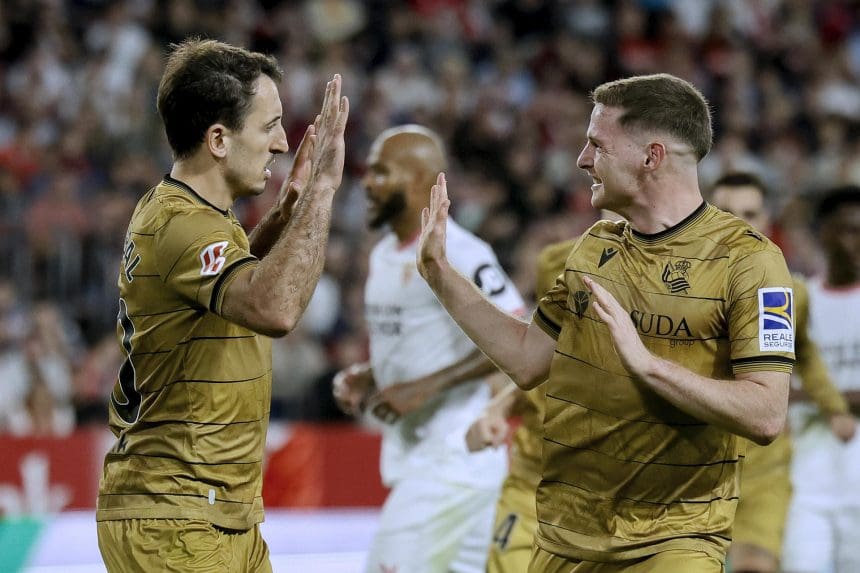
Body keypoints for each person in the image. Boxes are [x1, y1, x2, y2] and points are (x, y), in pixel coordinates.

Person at [416, 73, 796, 573]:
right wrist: (441, 274)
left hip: (676, 540)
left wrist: (649, 366)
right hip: (565, 537)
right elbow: (528, 360)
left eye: (597, 144)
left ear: (651, 156)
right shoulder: (594, 247)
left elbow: (767, 413)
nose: (582, 159)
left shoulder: (751, 263)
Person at [95, 38, 348, 573]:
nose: (283, 143)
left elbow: (230, 292)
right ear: (217, 139)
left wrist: (287, 211)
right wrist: (324, 190)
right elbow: (274, 309)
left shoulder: (194, 214)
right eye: (270, 125)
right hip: (175, 515)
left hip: (214, 513)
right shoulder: (184, 225)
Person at [332, 124, 525, 573]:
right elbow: (418, 341)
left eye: (381, 172)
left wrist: (426, 388)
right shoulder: (384, 254)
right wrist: (373, 373)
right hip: (418, 452)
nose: (367, 181)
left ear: (420, 178)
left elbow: (518, 332)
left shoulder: (459, 249)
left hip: (454, 452)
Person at [709, 172, 856, 573]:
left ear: (766, 218)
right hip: (692, 463)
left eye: (749, 213)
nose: (738, 223)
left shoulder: (786, 294)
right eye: (725, 212)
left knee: (754, 566)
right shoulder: (675, 291)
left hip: (762, 468)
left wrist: (834, 407)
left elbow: (804, 355)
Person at [465, 237, 573, 573]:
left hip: (596, 507)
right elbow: (520, 384)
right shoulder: (536, 369)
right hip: (529, 498)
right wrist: (490, 417)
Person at [781, 185, 860, 573]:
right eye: (847, 230)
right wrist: (835, 402)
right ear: (824, 233)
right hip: (806, 484)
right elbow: (769, 387)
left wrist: (818, 396)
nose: (855, 242)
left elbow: (789, 391)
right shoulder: (797, 300)